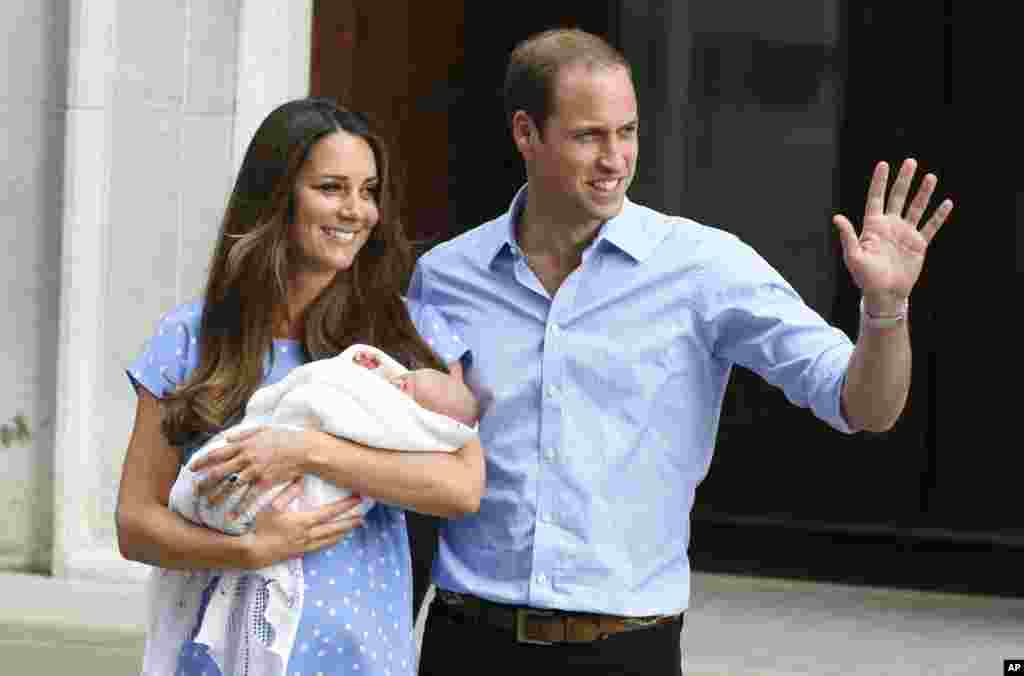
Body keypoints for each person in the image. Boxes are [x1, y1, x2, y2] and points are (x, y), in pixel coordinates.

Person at [409, 28, 953, 676]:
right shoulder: (445, 277)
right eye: (589, 136)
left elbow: (863, 405)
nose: (615, 157)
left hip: (626, 650)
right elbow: (410, 462)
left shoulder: (704, 268)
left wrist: (885, 309)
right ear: (527, 134)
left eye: (628, 132)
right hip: (468, 643)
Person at [116, 97, 484, 676]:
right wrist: (248, 550)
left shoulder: (410, 335)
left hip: (359, 657)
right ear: (278, 194)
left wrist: (307, 451)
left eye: (368, 191)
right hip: (217, 658)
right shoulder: (191, 337)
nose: (356, 210)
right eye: (332, 188)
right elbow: (135, 524)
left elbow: (461, 490)